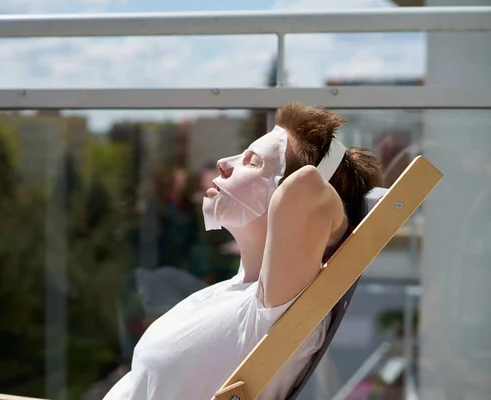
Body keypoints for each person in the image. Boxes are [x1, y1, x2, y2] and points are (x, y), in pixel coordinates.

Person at [103, 102, 384, 400]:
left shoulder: (272, 308)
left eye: (252, 162)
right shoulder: (233, 292)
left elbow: (306, 186)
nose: (224, 162)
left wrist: (334, 232)